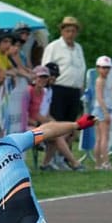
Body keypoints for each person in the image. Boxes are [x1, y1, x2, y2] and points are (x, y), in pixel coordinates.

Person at [42, 17, 86, 163]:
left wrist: (81, 86)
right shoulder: (54, 47)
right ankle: (52, 158)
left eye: (73, 31)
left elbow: (81, 68)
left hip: (74, 90)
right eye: (67, 31)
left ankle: (64, 158)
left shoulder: (78, 48)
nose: (70, 34)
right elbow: (45, 67)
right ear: (62, 31)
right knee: (57, 125)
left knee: (71, 125)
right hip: (58, 88)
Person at [27, 65, 83, 171]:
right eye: (41, 77)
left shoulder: (45, 91)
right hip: (30, 124)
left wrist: (54, 123)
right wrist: (50, 123)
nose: (44, 79)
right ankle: (74, 163)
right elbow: (31, 114)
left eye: (45, 77)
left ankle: (56, 160)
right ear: (34, 77)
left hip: (40, 122)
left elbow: (46, 114)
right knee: (57, 135)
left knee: (71, 130)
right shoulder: (29, 90)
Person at [91, 56, 112, 170]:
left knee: (99, 138)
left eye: (107, 68)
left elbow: (106, 96)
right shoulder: (100, 81)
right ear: (98, 68)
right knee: (104, 138)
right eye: (103, 67)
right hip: (101, 110)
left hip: (100, 110)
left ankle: (98, 164)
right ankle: (105, 162)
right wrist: (106, 113)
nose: (105, 70)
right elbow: (100, 98)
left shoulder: (104, 81)